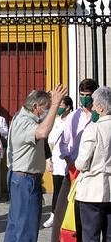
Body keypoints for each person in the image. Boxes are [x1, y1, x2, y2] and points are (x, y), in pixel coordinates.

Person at [0, 85, 67, 242]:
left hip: (21, 178)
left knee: (15, 223)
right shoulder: (25, 122)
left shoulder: (24, 118)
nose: (46, 111)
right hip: (25, 179)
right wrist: (54, 104)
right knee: (26, 226)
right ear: (36, 107)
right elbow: (43, 132)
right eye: (44, 107)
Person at [36, 78, 97, 242]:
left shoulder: (100, 116)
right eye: (82, 95)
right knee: (60, 212)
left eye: (88, 95)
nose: (85, 99)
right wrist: (70, 161)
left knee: (87, 218)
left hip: (93, 173)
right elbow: (63, 143)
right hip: (71, 172)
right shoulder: (74, 117)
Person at [64, 87, 111, 242]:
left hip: (93, 189)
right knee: (109, 238)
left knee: (90, 239)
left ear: (100, 107)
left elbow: (82, 162)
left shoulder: (94, 129)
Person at [44, 95, 74, 228]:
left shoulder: (72, 119)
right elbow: (49, 139)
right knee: (57, 189)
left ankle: (67, 217)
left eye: (61, 106)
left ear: (67, 107)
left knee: (68, 190)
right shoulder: (56, 120)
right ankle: (54, 215)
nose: (59, 108)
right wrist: (48, 159)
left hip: (69, 160)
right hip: (56, 158)